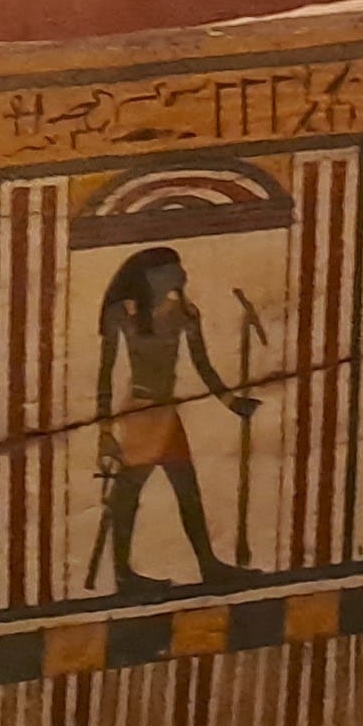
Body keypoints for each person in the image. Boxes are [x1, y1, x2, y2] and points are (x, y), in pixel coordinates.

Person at [91, 247, 257, 594]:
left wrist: (231, 402)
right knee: (129, 495)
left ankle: (208, 565)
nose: (182, 274)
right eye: (173, 268)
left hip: (167, 413)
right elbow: (105, 375)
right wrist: (105, 431)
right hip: (140, 414)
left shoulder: (184, 314)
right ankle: (123, 574)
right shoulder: (122, 313)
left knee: (185, 491)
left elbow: (203, 365)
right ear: (151, 276)